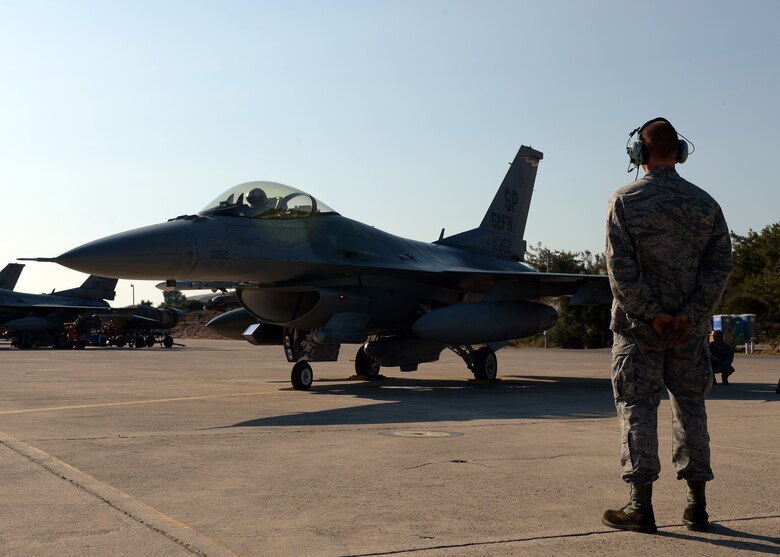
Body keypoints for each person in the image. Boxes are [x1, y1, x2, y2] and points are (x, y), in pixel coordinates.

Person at [603, 117, 733, 534]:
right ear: (679, 153)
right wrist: (690, 314)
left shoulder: (624, 201)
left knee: (637, 407)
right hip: (688, 333)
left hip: (639, 330)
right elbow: (719, 267)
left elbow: (618, 268)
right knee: (691, 407)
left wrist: (651, 314)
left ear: (638, 154)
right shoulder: (706, 205)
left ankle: (639, 506)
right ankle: (697, 507)